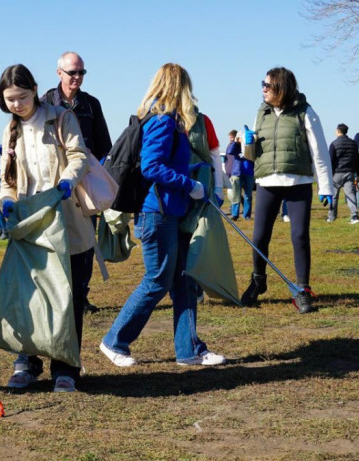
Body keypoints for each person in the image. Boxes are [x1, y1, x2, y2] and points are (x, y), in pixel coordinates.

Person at [100, 63, 226, 369]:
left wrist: (194, 176)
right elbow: (151, 166)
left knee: (185, 280)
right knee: (157, 279)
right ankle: (114, 340)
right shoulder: (162, 119)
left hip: (173, 210)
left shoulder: (168, 120)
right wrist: (191, 184)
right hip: (157, 212)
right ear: (181, 87)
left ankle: (189, 349)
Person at [0, 64, 95, 393]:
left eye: (22, 97)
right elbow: (8, 179)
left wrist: (67, 180)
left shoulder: (62, 119)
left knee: (68, 296)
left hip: (66, 219)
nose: (16, 104)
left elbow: (79, 154)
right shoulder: (9, 130)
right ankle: (27, 363)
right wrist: (7, 200)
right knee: (29, 295)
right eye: (9, 99)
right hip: (29, 225)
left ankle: (66, 368)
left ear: (35, 90)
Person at [241, 67, 334, 313]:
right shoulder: (262, 113)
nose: (263, 88)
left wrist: (326, 186)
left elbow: (320, 151)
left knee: (299, 236)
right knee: (259, 237)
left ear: (281, 87)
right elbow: (251, 157)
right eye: (263, 84)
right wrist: (247, 144)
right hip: (267, 183)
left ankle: (302, 290)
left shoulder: (306, 112)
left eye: (267, 85)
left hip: (298, 182)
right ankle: (258, 281)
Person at [42, 51, 112, 314]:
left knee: (84, 243)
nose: (78, 77)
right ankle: (57, 296)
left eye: (82, 72)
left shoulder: (91, 104)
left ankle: (80, 296)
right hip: (54, 184)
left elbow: (104, 145)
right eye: (73, 72)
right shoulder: (44, 103)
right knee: (55, 240)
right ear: (59, 72)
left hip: (84, 185)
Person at [327, 123, 359, 224]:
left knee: (334, 196)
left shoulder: (333, 144)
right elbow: (357, 160)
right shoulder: (354, 144)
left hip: (336, 173)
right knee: (351, 194)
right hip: (349, 172)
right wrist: (357, 174)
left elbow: (330, 160)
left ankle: (331, 217)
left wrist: (329, 174)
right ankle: (354, 216)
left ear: (337, 131)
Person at [224, 129, 254, 220]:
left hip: (249, 172)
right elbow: (230, 151)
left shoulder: (249, 145)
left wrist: (247, 141)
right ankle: (235, 215)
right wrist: (236, 142)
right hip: (237, 172)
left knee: (248, 196)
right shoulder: (234, 146)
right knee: (235, 195)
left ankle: (247, 215)